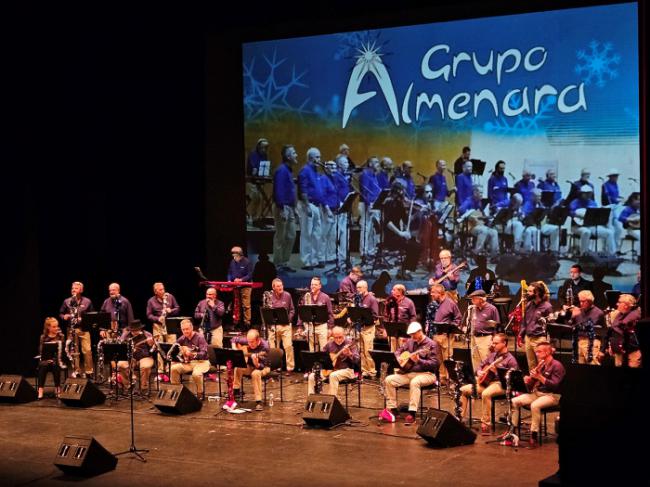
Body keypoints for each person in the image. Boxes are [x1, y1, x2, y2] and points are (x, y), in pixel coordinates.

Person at [459, 333, 518, 434]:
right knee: (463, 390)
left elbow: (513, 380)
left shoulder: (511, 360)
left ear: (504, 343)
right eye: (493, 343)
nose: (493, 345)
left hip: (500, 384)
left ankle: (486, 422)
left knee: (486, 394)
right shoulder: (492, 355)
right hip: (486, 382)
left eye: (496, 343)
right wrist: (479, 372)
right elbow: (480, 366)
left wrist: (497, 373)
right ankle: (459, 418)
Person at [380, 322, 439, 425]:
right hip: (409, 372)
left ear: (420, 332)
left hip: (427, 374)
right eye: (411, 335)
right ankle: (393, 409)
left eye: (414, 334)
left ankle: (412, 413)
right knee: (389, 380)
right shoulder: (410, 342)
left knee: (415, 382)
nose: (412, 337)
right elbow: (398, 351)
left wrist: (419, 361)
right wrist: (399, 357)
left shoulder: (431, 345)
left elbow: (434, 364)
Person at [511, 341, 565, 447]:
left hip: (552, 395)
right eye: (536, 352)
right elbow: (532, 386)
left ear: (547, 352)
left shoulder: (557, 365)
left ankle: (533, 435)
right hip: (538, 393)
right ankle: (512, 431)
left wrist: (539, 377)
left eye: (539, 352)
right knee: (514, 401)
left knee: (535, 405)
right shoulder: (541, 364)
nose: (536, 354)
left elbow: (555, 386)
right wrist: (529, 380)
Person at [307, 326, 359, 397]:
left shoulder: (350, 343)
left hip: (347, 370)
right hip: (331, 370)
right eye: (335, 337)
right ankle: (311, 400)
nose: (338, 339)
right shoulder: (330, 344)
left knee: (333, 376)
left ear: (344, 335)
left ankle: (331, 401)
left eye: (340, 337)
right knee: (312, 376)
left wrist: (349, 354)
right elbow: (322, 357)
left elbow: (357, 360)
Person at [382, 181, 421, 276]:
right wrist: (400, 233)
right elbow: (387, 222)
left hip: (398, 235)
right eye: (402, 191)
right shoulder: (389, 202)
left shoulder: (399, 203)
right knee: (414, 247)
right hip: (390, 237)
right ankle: (404, 270)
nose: (403, 193)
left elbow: (406, 219)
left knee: (417, 245)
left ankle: (404, 269)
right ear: (397, 191)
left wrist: (417, 213)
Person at [58, 281, 95, 377]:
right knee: (74, 351)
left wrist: (84, 318)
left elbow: (92, 315)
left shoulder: (87, 301)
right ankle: (76, 371)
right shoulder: (67, 301)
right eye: (72, 288)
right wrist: (64, 316)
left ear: (81, 290)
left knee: (87, 350)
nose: (73, 290)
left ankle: (89, 372)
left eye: (76, 288)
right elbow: (61, 313)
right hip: (71, 329)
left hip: (84, 329)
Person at [427, 284, 461, 384]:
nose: (431, 294)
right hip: (436, 334)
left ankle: (450, 379)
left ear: (440, 293)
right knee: (438, 358)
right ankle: (442, 378)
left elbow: (458, 318)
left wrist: (450, 328)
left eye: (433, 292)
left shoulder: (450, 303)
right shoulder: (436, 303)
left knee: (447, 358)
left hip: (446, 335)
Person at [272, 144, 298, 273]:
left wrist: (294, 208)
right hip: (282, 207)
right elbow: (279, 190)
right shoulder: (282, 170)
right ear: (288, 156)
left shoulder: (288, 170)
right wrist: (281, 208)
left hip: (290, 208)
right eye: (294, 153)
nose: (296, 155)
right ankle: (278, 264)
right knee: (280, 236)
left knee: (291, 235)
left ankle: (285, 261)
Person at [146, 282, 180, 379]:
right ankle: (161, 370)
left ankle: (171, 368)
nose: (163, 291)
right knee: (159, 347)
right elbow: (148, 315)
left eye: (163, 289)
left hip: (170, 324)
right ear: (155, 292)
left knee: (172, 346)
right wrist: (157, 319)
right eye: (160, 290)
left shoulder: (170, 297)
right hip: (158, 326)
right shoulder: (151, 301)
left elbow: (177, 308)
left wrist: (171, 310)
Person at [298, 147, 324, 269]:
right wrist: (307, 206)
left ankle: (314, 260)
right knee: (307, 234)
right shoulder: (305, 171)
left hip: (316, 206)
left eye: (320, 157)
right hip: (308, 205)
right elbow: (303, 190)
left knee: (316, 234)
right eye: (317, 157)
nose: (319, 159)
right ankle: (306, 261)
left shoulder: (315, 171)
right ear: (310, 158)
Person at [569, 185, 616, 255]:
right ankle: (583, 255)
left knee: (609, 233)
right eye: (586, 193)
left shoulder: (592, 203)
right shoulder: (575, 202)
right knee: (586, 232)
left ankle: (612, 254)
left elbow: (596, 214)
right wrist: (578, 215)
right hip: (577, 227)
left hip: (591, 226)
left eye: (589, 193)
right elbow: (570, 212)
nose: (588, 195)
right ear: (581, 193)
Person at [599, 294, 642, 367]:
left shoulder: (635, 315)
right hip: (619, 353)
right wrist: (605, 348)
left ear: (626, 305)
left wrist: (614, 344)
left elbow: (623, 330)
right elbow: (610, 332)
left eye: (619, 302)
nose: (616, 304)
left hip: (631, 353)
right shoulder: (619, 314)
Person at [170, 319, 210, 398]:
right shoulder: (182, 338)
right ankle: (177, 392)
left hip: (202, 362)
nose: (185, 331)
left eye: (187, 329)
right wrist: (176, 359)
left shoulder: (200, 337)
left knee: (196, 374)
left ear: (192, 328)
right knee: (174, 368)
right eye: (183, 330)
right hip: (189, 363)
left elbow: (203, 353)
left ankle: (200, 394)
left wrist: (192, 354)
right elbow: (173, 349)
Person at [517, 281, 553, 370]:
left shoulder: (547, 306)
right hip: (528, 338)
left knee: (542, 365)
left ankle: (542, 383)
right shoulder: (529, 304)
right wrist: (521, 334)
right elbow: (525, 321)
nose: (527, 294)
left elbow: (551, 324)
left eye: (529, 291)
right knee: (531, 365)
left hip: (540, 339)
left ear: (537, 293)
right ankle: (532, 383)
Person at [232, 329, 271, 411]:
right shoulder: (248, 340)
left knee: (255, 373)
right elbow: (234, 339)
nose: (249, 344)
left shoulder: (265, 347)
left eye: (252, 342)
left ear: (258, 340)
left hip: (264, 367)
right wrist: (235, 349)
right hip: (250, 366)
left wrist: (256, 363)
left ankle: (258, 401)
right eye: (248, 341)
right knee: (238, 367)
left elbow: (262, 366)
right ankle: (236, 391)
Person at [117, 320, 155, 395]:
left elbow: (154, 350)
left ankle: (144, 387)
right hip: (131, 358)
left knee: (146, 366)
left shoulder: (147, 334)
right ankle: (128, 386)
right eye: (133, 331)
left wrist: (151, 344)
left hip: (145, 357)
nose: (135, 332)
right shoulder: (126, 336)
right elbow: (120, 347)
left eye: (137, 330)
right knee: (121, 364)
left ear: (140, 329)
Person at [458, 185, 499, 257]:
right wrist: (471, 216)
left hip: (478, 225)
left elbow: (481, 215)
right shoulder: (468, 201)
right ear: (474, 193)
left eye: (482, 192)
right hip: (469, 226)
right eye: (480, 192)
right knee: (483, 230)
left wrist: (489, 218)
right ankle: (476, 253)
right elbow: (460, 210)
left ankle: (494, 255)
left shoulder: (479, 203)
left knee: (494, 232)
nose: (482, 194)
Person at [266, 278, 296, 372]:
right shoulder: (269, 297)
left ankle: (290, 368)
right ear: (273, 287)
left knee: (288, 347)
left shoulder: (287, 295)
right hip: (273, 326)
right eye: (278, 286)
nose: (280, 287)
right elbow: (267, 311)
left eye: (281, 285)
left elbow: (292, 310)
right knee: (274, 349)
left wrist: (288, 319)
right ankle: (276, 367)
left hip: (285, 326)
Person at [297, 277, 333, 351]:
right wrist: (300, 326)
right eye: (312, 284)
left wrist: (330, 328)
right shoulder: (306, 297)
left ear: (320, 286)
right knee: (312, 350)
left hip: (322, 326)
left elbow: (330, 313)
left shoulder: (326, 297)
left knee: (324, 349)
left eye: (315, 285)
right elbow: (301, 312)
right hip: (310, 327)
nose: (313, 286)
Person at [569, 290, 605, 365]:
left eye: (583, 301)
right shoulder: (578, 311)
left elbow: (604, 331)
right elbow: (571, 326)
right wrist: (573, 316)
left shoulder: (599, 313)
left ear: (590, 301)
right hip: (579, 341)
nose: (581, 303)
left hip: (592, 342)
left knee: (593, 365)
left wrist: (602, 349)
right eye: (580, 301)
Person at [467, 289, 500, 371]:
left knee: (486, 361)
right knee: (475, 360)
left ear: (481, 299)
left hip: (485, 338)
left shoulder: (492, 309)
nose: (472, 301)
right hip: (474, 337)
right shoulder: (473, 309)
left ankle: (487, 380)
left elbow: (497, 326)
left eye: (474, 299)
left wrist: (494, 341)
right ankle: (477, 379)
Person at [352, 279, 379, 377]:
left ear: (365, 288)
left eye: (359, 287)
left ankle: (372, 371)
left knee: (368, 351)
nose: (357, 289)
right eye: (357, 288)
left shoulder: (371, 299)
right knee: (362, 351)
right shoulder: (357, 298)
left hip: (368, 328)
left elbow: (375, 315)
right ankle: (364, 370)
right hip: (359, 328)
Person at [521, 188, 559, 252]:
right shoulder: (527, 205)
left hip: (541, 225)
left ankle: (553, 250)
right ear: (532, 196)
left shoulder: (541, 204)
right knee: (535, 231)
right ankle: (534, 251)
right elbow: (525, 217)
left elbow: (546, 215)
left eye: (540, 196)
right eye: (537, 196)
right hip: (531, 225)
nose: (539, 198)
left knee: (555, 228)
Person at [37, 317, 65, 399]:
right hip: (45, 360)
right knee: (43, 366)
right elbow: (41, 351)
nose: (56, 328)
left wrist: (55, 359)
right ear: (48, 327)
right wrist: (46, 359)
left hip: (57, 360)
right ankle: (40, 390)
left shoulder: (61, 336)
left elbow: (62, 351)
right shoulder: (43, 337)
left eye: (57, 326)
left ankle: (57, 388)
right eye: (54, 327)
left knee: (55, 365)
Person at [359, 156, 381, 259]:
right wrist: (369, 204)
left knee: (372, 230)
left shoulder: (374, 175)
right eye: (376, 162)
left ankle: (371, 251)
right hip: (366, 204)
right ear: (370, 164)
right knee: (366, 229)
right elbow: (365, 191)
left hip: (374, 204)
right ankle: (363, 252)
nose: (378, 164)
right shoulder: (365, 174)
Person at [384, 284, 417, 351]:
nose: (391, 291)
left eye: (393, 290)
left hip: (404, 333)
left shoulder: (409, 302)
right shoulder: (390, 302)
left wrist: (410, 332)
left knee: (403, 353)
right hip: (392, 332)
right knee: (393, 352)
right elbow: (386, 316)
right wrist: (385, 329)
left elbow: (413, 317)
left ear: (400, 292)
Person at [246, 137, 270, 227]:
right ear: (259, 147)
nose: (264, 149)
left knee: (260, 198)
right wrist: (254, 170)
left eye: (266, 147)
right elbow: (253, 169)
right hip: (251, 181)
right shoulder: (253, 154)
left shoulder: (264, 156)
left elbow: (264, 167)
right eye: (263, 147)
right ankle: (251, 217)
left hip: (259, 181)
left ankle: (255, 217)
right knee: (256, 197)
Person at [228, 246, 253, 328]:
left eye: (235, 255)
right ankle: (236, 322)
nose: (234, 256)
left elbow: (249, 274)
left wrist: (241, 280)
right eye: (233, 255)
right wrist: (229, 280)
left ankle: (247, 323)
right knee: (236, 304)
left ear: (240, 254)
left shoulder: (247, 262)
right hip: (235, 286)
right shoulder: (232, 262)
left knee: (246, 305)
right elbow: (230, 273)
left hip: (246, 286)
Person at [321, 161, 338, 263]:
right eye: (331, 168)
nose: (334, 170)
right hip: (327, 210)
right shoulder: (323, 179)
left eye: (335, 168)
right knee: (324, 234)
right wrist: (327, 209)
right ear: (326, 168)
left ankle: (330, 256)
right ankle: (322, 257)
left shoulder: (334, 178)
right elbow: (322, 195)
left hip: (335, 209)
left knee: (332, 235)